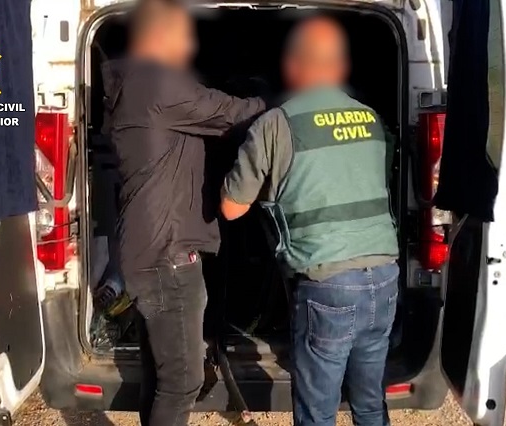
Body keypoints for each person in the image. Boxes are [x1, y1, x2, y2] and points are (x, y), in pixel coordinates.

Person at [220, 16, 399, 426]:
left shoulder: (275, 124)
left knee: (317, 413)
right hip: (384, 278)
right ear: (339, 67)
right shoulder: (370, 119)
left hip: (328, 285)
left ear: (293, 66)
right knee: (370, 404)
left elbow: (232, 208)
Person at [99, 0, 266, 425]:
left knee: (160, 373)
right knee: (183, 380)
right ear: (159, 36)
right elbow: (231, 113)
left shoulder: (132, 84)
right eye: (183, 35)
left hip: (147, 248)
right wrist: (281, 102)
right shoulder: (158, 82)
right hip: (167, 256)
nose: (190, 46)